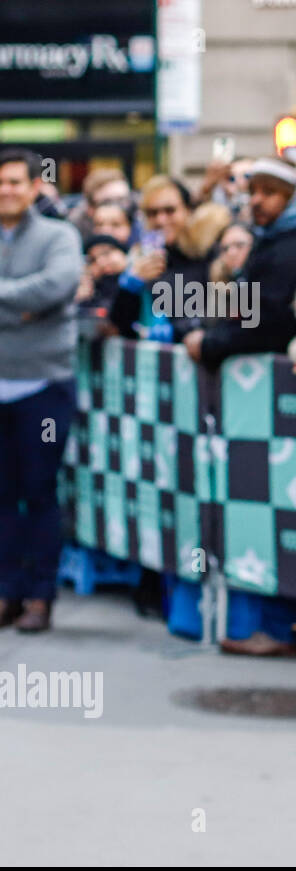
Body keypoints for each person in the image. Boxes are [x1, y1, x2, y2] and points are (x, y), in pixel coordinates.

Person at [0, 148, 84, 633]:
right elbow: (36, 297)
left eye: (15, 181)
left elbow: (57, 286)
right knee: (3, 495)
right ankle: (8, 590)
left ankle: (40, 596)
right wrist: (22, 305)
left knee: (40, 491)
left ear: (35, 186)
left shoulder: (59, 235)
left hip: (43, 386)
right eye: (1, 182)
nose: (7, 191)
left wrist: (30, 300)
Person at [182, 158, 296, 370]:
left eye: (269, 193)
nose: (256, 200)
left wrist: (209, 344)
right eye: (252, 192)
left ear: (292, 196)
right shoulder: (272, 238)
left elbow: (269, 324)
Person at [109, 177, 230, 343]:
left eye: (170, 211)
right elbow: (120, 325)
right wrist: (130, 287)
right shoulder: (142, 259)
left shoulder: (208, 253)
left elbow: (220, 311)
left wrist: (176, 331)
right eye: (152, 213)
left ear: (188, 211)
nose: (161, 220)